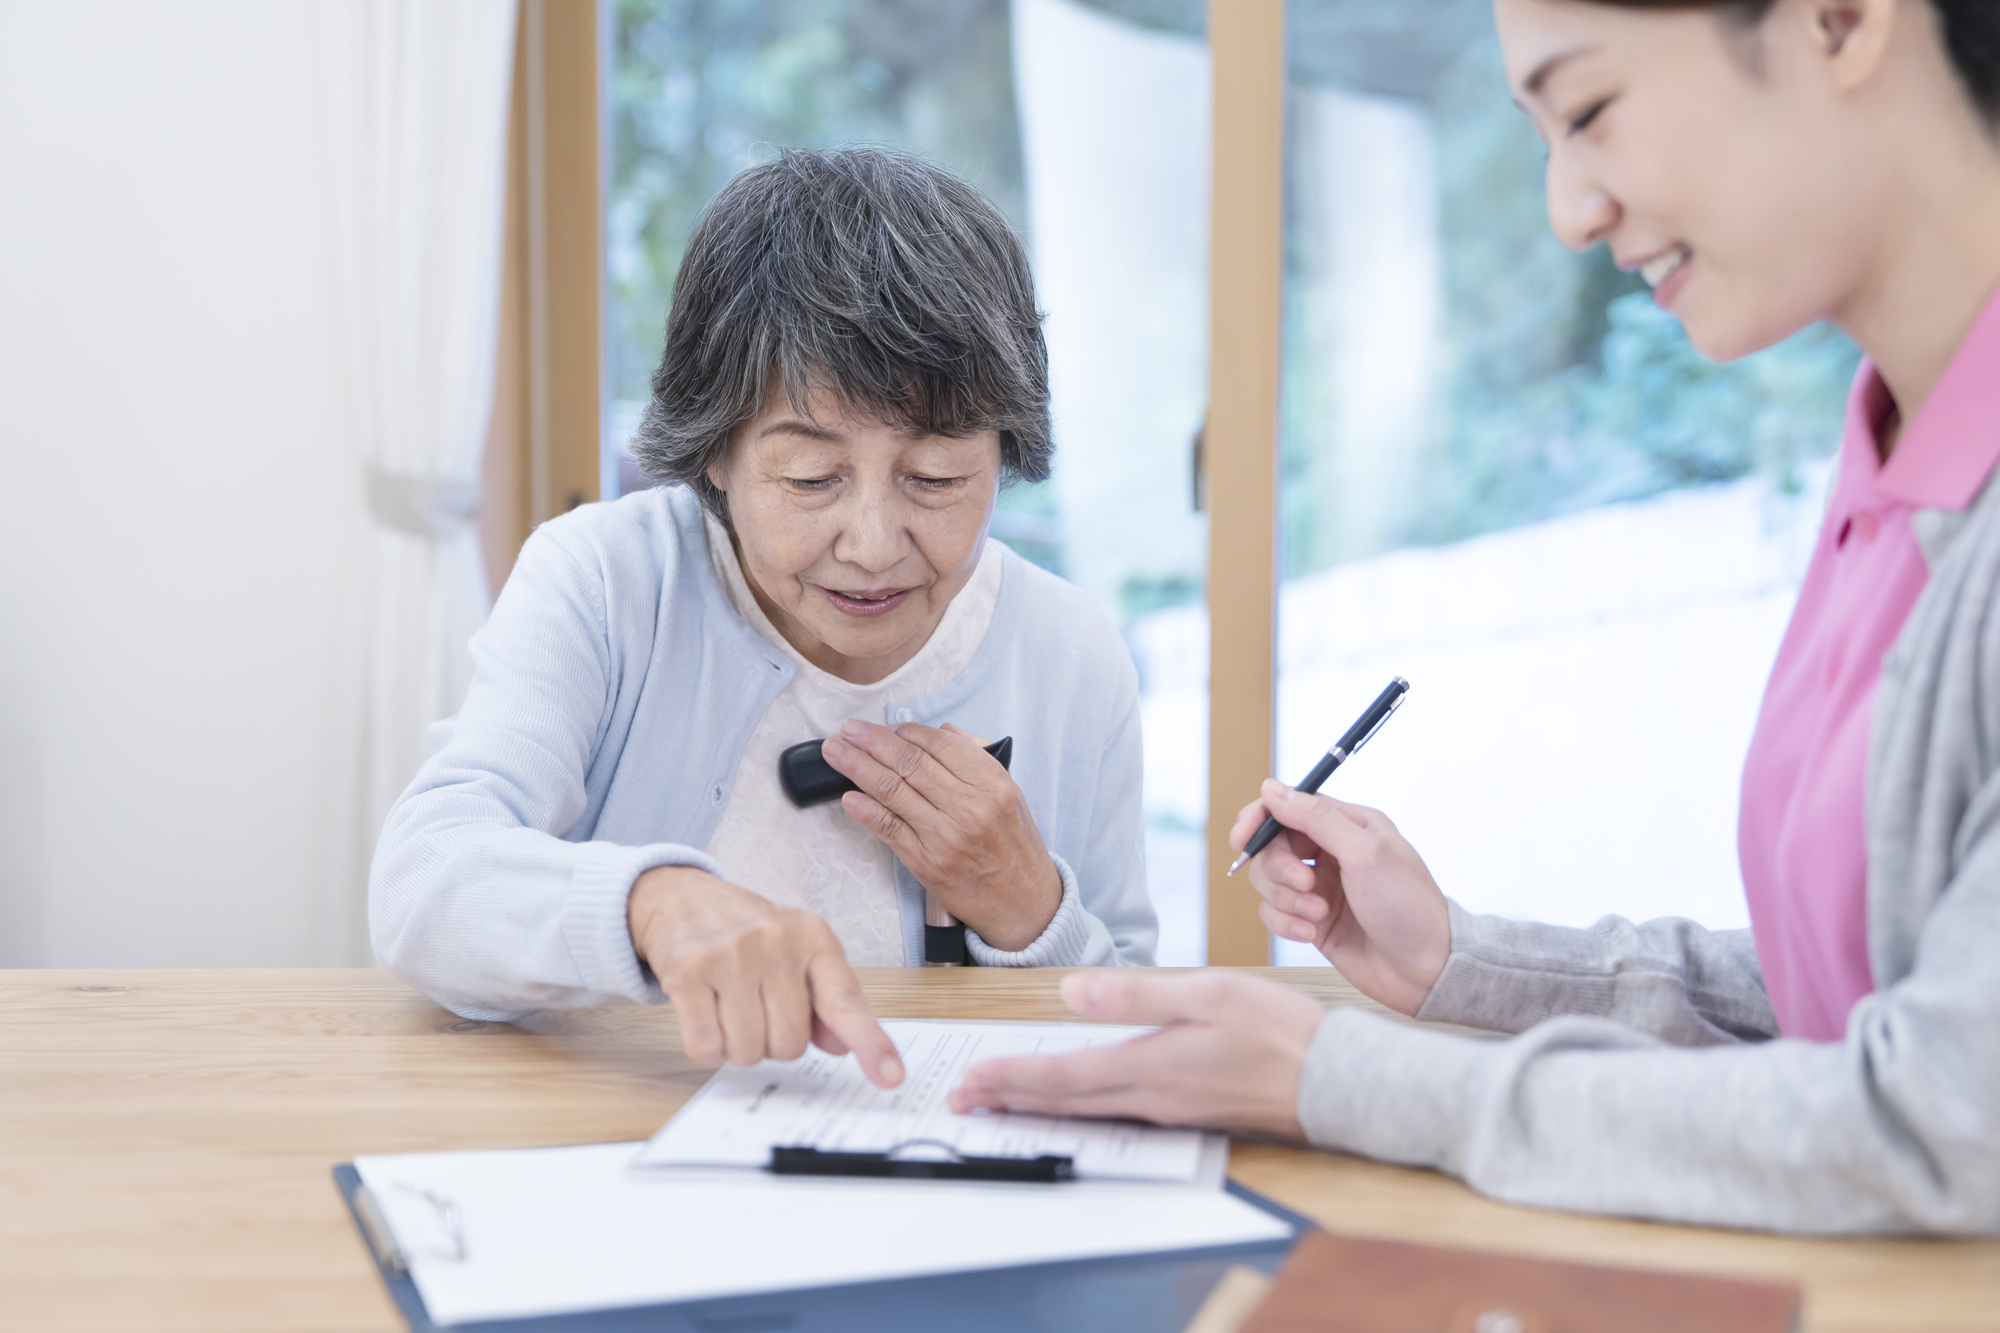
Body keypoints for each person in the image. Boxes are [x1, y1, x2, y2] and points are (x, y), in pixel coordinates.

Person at [952, 0, 2000, 1233]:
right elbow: (1872, 994)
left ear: (1838, 20)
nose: (1570, 212)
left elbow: (1944, 1114)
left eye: (1591, 111)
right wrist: (1468, 962)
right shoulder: (1892, 444)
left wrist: (1339, 1079)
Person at [372, 148, 1156, 1089]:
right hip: (623, 1148)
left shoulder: (1068, 652)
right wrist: (648, 905)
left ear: (1005, 454)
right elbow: (425, 879)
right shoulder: (610, 580)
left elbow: (1136, 1021)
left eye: (936, 477)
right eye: (810, 477)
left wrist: (1032, 911)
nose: (872, 543)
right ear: (714, 454)